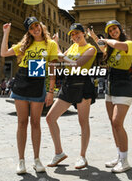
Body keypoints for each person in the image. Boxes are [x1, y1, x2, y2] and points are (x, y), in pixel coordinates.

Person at [0, 17, 58, 174]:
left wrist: (51, 91)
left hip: (38, 84)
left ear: (40, 26)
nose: (35, 29)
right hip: (22, 81)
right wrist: (6, 33)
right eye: (31, 28)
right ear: (29, 31)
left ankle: (37, 159)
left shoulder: (51, 44)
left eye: (36, 25)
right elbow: (4, 53)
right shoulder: (24, 45)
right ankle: (21, 160)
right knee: (22, 123)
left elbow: (52, 69)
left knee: (36, 123)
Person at [46, 23, 97, 170]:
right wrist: (56, 45)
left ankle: (82, 156)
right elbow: (62, 57)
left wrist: (62, 55)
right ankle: (59, 153)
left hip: (83, 84)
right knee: (50, 118)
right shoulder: (73, 47)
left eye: (77, 33)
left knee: (83, 122)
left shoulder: (91, 49)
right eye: (72, 35)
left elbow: (77, 64)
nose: (74, 37)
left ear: (84, 34)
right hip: (68, 84)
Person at [89, 20, 132, 173]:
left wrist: (106, 39)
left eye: (114, 29)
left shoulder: (129, 43)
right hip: (111, 85)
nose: (113, 31)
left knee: (117, 122)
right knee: (112, 123)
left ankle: (125, 160)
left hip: (123, 85)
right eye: (110, 31)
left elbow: (115, 44)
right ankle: (119, 155)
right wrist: (95, 37)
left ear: (120, 30)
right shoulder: (110, 49)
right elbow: (102, 46)